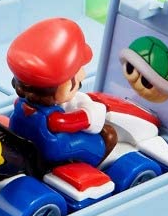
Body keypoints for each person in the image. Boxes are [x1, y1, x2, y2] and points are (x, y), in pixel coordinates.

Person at [6, 18, 117, 166]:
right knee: (108, 135)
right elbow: (61, 122)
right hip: (54, 147)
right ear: (64, 86)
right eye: (78, 70)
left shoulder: (21, 104)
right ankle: (95, 166)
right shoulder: (55, 117)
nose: (82, 74)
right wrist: (85, 116)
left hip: (23, 137)